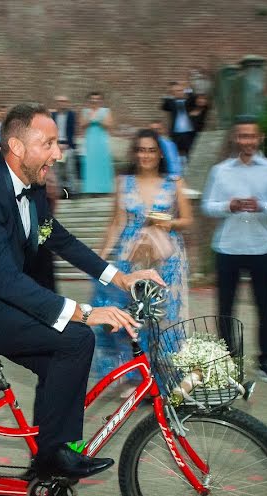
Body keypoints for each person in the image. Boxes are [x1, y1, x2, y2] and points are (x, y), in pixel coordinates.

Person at [0, 103, 163, 479]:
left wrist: (120, 277)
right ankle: (53, 457)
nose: (58, 153)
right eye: (48, 143)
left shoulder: (29, 186)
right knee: (76, 339)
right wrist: (84, 311)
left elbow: (59, 239)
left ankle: (50, 457)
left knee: (63, 356)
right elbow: (6, 282)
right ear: (16, 147)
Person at [93, 129, 191, 381]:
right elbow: (116, 221)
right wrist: (100, 260)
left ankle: (162, 379)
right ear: (135, 153)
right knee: (135, 316)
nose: (145, 155)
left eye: (151, 150)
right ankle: (138, 378)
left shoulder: (174, 182)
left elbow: (187, 220)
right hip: (131, 256)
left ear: (160, 154)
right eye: (141, 150)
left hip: (166, 258)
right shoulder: (123, 182)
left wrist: (167, 222)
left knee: (163, 317)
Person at [202, 117, 267, 384]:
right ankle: (228, 363)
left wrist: (262, 205)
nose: (247, 141)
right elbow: (207, 205)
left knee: (265, 307)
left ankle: (266, 362)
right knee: (225, 309)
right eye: (242, 136)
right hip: (227, 246)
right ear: (234, 138)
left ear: (260, 138)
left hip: (262, 246)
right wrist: (227, 206)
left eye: (252, 136)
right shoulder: (220, 171)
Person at [81, 92, 115, 194]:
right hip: (90, 140)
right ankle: (91, 189)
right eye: (92, 99)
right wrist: (90, 119)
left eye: (97, 99)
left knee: (102, 162)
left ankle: (104, 189)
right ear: (89, 100)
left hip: (101, 141)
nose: (94, 101)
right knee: (90, 163)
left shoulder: (106, 111)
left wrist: (98, 120)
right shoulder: (85, 111)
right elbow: (82, 124)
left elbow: (109, 124)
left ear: (100, 101)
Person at [162, 82, 196, 163]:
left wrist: (188, 88)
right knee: (174, 153)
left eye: (181, 90)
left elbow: (193, 99)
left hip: (188, 133)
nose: (179, 92)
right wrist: (168, 94)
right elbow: (164, 106)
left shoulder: (188, 102)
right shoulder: (171, 103)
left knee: (190, 153)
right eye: (177, 91)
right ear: (173, 93)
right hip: (176, 133)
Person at [51, 96, 78, 194]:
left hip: (68, 146)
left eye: (64, 101)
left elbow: (73, 132)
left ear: (67, 103)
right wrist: (57, 144)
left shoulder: (72, 115)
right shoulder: (52, 115)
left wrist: (66, 144)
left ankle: (72, 191)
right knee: (57, 171)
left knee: (70, 170)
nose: (62, 103)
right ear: (56, 103)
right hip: (55, 147)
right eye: (60, 101)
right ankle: (60, 192)